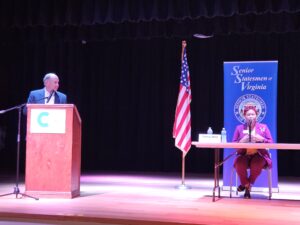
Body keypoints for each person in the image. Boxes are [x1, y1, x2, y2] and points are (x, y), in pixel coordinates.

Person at [232, 105, 273, 199]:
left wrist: (262, 139)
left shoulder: (263, 127)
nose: (251, 116)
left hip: (259, 155)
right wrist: (242, 141)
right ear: (244, 116)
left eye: (253, 114)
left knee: (257, 164)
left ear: (256, 115)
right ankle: (247, 185)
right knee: (239, 163)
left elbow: (271, 142)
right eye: (248, 114)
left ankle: (245, 186)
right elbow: (233, 144)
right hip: (244, 154)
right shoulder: (239, 128)